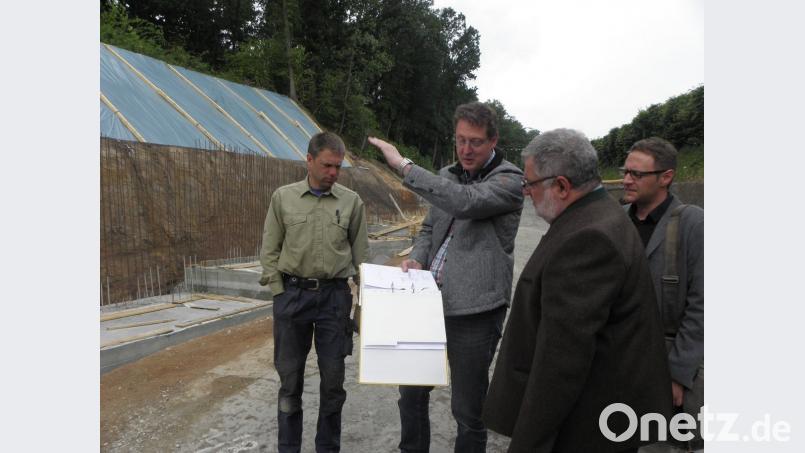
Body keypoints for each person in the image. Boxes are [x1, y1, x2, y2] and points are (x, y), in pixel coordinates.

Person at [483, 129, 673, 453]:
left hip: (587, 427)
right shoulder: (599, 215)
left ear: (561, 186)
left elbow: (561, 363)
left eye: (529, 183)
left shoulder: (588, 238)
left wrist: (528, 444)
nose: (526, 193)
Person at [367, 101, 524, 453]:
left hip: (475, 312)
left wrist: (403, 165)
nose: (466, 150)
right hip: (425, 303)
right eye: (460, 140)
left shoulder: (509, 181)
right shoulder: (448, 174)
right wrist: (419, 259)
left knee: (467, 410)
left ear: (494, 140)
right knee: (411, 396)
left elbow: (464, 202)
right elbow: (427, 229)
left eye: (476, 142)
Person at [259, 131, 369, 453]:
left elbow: (362, 258)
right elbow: (269, 251)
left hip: (335, 300)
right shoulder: (283, 197)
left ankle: (327, 448)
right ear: (308, 160)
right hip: (293, 299)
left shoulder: (352, 202)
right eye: (327, 165)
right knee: (289, 383)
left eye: (338, 166)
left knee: (333, 384)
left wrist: (365, 307)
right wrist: (280, 294)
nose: (333, 173)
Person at [622, 137, 704, 453]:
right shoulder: (618, 219)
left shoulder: (692, 222)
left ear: (666, 177)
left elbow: (702, 305)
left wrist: (679, 374)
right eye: (626, 171)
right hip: (620, 360)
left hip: (665, 363)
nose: (627, 180)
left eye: (637, 174)